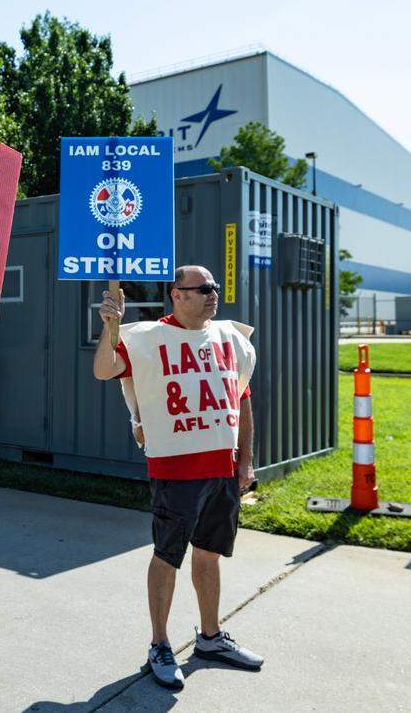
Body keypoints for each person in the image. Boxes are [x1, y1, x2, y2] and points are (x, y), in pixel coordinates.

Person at [93, 266, 264, 690]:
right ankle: (159, 645)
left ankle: (209, 638)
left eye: (215, 288)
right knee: (167, 555)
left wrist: (246, 460)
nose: (213, 295)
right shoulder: (148, 337)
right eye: (203, 289)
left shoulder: (230, 338)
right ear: (177, 295)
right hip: (175, 468)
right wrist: (110, 325)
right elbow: (104, 369)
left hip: (222, 469)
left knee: (209, 554)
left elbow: (241, 400)